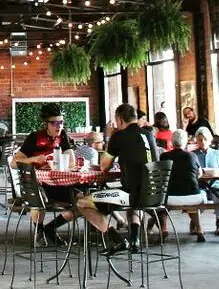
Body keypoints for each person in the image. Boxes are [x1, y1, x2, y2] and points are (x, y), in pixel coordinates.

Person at [13, 103, 114, 246]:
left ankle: (50, 228)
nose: (59, 126)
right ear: (46, 124)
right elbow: (14, 162)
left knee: (82, 203)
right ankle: (39, 232)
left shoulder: (63, 136)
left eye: (61, 122)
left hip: (60, 183)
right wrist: (35, 159)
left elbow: (71, 162)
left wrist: (67, 159)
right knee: (39, 199)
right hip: (38, 184)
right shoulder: (34, 138)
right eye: (54, 123)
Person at [105, 103, 158, 250]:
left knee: (84, 203)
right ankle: (134, 239)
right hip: (154, 195)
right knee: (134, 190)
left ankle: (119, 240)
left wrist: (110, 137)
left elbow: (104, 166)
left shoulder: (119, 136)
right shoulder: (149, 135)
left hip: (131, 195)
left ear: (120, 120)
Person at [162, 129, 208, 242]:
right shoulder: (192, 156)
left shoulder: (164, 156)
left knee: (161, 200)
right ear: (185, 143)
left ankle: (164, 229)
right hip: (192, 196)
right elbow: (200, 174)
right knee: (193, 200)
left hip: (170, 197)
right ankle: (199, 230)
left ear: (172, 142)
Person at [192, 126, 219, 234]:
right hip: (200, 186)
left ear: (209, 140)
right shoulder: (194, 154)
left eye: (204, 139)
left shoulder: (216, 153)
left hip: (215, 185)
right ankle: (196, 224)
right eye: (199, 140)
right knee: (199, 199)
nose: (202, 142)